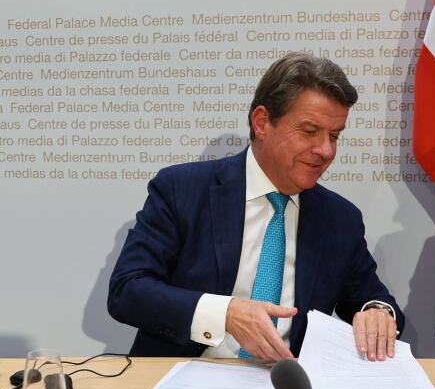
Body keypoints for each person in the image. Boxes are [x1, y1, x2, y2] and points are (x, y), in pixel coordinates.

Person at [108, 53, 403, 362]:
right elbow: (128, 291)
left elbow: (372, 298)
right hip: (183, 378)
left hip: (284, 388)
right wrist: (226, 313)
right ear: (262, 122)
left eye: (334, 135)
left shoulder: (339, 218)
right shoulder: (181, 190)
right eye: (309, 131)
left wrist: (377, 312)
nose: (326, 150)